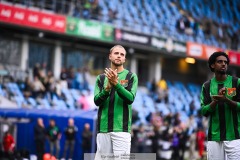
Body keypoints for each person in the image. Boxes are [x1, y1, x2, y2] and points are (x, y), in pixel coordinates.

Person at [93, 45, 138, 159]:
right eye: (116, 53)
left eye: (122, 54)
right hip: (103, 129)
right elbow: (96, 101)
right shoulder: (101, 78)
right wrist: (107, 89)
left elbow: (130, 99)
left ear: (124, 59)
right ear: (110, 56)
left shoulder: (131, 76)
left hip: (121, 130)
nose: (119, 56)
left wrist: (116, 84)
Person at [200, 51, 240, 160]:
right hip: (214, 137)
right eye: (220, 62)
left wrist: (226, 100)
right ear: (212, 65)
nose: (224, 64)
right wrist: (216, 101)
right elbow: (204, 111)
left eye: (225, 62)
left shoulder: (237, 82)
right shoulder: (207, 86)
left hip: (234, 137)